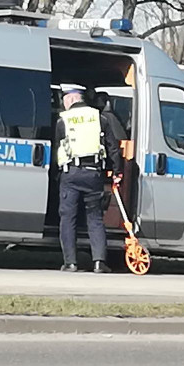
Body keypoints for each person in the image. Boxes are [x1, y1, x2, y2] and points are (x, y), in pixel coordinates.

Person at [55, 85, 124, 273]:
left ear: (70, 100)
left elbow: (57, 148)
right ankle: (99, 262)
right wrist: (118, 172)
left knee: (68, 218)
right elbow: (113, 148)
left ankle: (70, 263)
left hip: (71, 173)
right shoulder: (100, 118)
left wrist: (56, 174)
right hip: (94, 174)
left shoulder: (63, 120)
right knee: (95, 218)